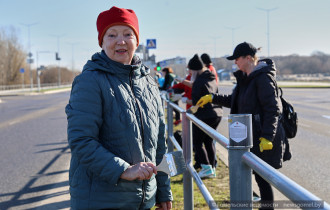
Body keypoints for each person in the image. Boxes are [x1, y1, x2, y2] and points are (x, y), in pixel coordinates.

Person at [65, 6, 172, 210]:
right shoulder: (89, 81)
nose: (120, 41)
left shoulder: (148, 83)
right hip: (100, 200)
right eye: (111, 35)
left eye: (127, 34)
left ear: (137, 41)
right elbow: (81, 141)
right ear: (102, 42)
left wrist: (163, 190)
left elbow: (160, 142)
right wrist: (125, 170)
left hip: (143, 201)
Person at [197, 42, 287, 209]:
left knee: (262, 179)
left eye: (237, 58)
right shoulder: (245, 79)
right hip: (248, 135)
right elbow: (234, 101)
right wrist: (213, 97)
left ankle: (267, 208)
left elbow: (273, 109)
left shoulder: (263, 78)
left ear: (248, 58)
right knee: (254, 175)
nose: (235, 62)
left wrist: (267, 137)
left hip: (261, 136)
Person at [188, 54, 222, 178]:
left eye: (190, 70)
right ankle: (211, 168)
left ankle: (206, 167)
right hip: (217, 113)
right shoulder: (211, 77)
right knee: (208, 141)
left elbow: (196, 101)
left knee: (197, 142)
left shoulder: (199, 81)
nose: (190, 72)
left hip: (205, 115)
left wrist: (189, 106)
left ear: (195, 70)